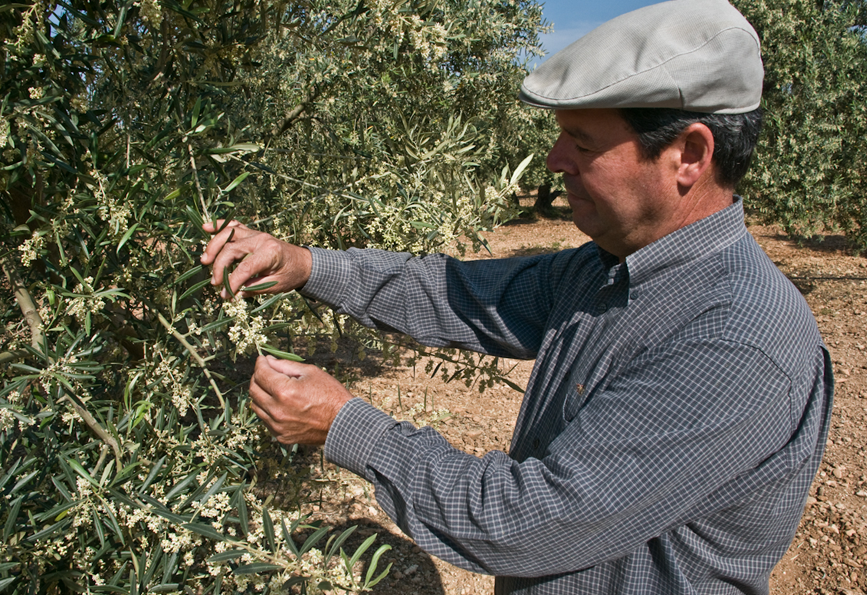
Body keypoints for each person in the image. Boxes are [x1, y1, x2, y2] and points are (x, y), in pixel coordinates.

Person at [200, 0, 833, 592]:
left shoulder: (736, 341)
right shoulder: (605, 269)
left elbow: (533, 520)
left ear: (689, 154)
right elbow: (455, 294)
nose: (555, 160)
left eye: (582, 143)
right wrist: (303, 264)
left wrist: (345, 427)